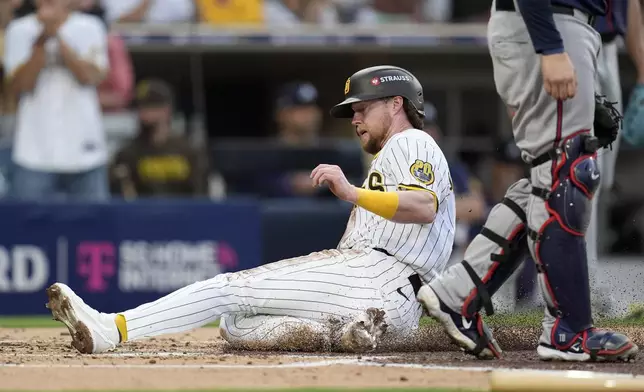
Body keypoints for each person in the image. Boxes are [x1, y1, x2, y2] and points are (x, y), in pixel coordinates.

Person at [45, 65, 456, 354]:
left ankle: (113, 329)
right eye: (353, 110)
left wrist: (351, 192)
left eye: (364, 107)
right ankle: (343, 333)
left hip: (381, 276)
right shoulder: (393, 153)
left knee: (229, 290)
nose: (355, 117)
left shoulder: (412, 142)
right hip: (390, 302)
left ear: (397, 103)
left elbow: (422, 206)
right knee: (236, 324)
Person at [409, 0, 638, 362]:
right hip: (548, 24)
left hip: (565, 27)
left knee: (549, 178)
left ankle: (458, 294)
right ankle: (568, 330)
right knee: (567, 176)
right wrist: (550, 45)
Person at [4, 0, 110, 201]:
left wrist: (56, 36)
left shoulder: (90, 27)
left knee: (92, 228)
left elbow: (89, 77)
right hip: (33, 152)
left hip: (85, 150)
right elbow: (21, 86)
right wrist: (43, 38)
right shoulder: (19, 30)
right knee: (30, 229)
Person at [586, 0, 644, 318]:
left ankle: (585, 282)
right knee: (584, 171)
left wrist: (643, 71)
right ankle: (582, 286)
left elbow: (631, 4)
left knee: (602, 180)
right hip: (573, 36)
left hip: (609, 46)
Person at [109, 79, 208, 198]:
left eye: (150, 107)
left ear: (167, 110)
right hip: (144, 214)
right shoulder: (127, 153)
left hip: (182, 213)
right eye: (140, 108)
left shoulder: (189, 150)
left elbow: (201, 194)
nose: (144, 114)